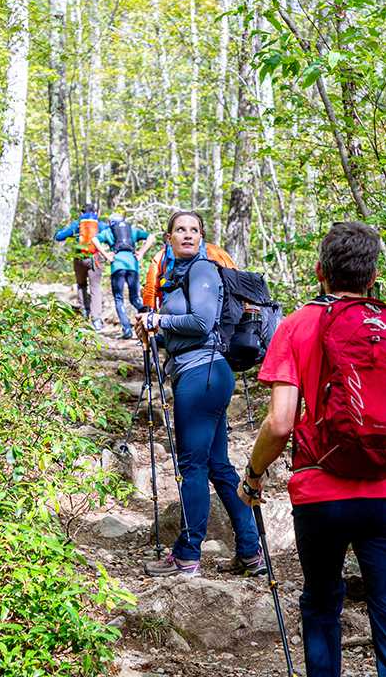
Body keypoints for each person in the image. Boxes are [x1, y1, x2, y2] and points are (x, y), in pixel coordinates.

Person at [238, 221, 386, 677]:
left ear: (319, 272)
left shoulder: (297, 325)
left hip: (320, 497)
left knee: (322, 605)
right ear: (372, 278)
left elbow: (280, 423)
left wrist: (252, 475)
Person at [134, 210, 264, 577]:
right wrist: (154, 332)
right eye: (180, 230)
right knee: (218, 466)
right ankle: (251, 552)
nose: (187, 235)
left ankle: (187, 556)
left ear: (202, 237)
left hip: (201, 375)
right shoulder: (175, 277)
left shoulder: (203, 270)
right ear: (169, 238)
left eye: (194, 230)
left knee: (192, 467)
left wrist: (157, 319)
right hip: (203, 373)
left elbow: (202, 323)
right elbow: (184, 331)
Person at [94, 213, 155, 340]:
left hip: (117, 266)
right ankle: (149, 317)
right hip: (133, 265)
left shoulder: (108, 232)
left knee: (118, 298)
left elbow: (94, 240)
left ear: (111, 223)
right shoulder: (132, 231)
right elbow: (151, 237)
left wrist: (106, 255)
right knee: (135, 298)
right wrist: (142, 252)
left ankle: (127, 329)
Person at [141, 237, 236, 311]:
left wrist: (149, 316)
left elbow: (150, 289)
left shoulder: (162, 256)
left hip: (172, 321)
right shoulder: (217, 252)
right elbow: (235, 284)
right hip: (214, 319)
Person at [54, 203, 106, 330]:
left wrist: (69, 233)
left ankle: (84, 313)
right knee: (95, 287)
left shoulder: (78, 224)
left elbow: (59, 236)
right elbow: (110, 235)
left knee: (81, 285)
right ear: (96, 212)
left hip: (79, 258)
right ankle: (96, 319)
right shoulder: (100, 224)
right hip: (95, 259)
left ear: (82, 213)